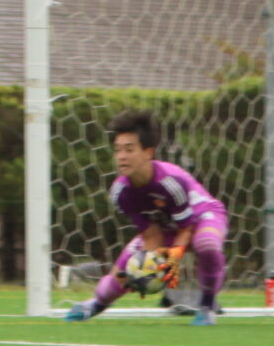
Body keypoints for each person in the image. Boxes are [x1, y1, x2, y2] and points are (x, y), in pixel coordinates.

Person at [67, 109, 229, 327]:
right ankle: (96, 304)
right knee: (122, 274)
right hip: (166, 228)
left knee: (206, 244)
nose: (122, 156)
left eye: (129, 149)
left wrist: (171, 261)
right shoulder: (120, 192)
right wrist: (143, 269)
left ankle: (207, 306)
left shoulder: (170, 183)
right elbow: (151, 236)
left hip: (202, 218)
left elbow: (186, 228)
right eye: (118, 150)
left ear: (148, 152)